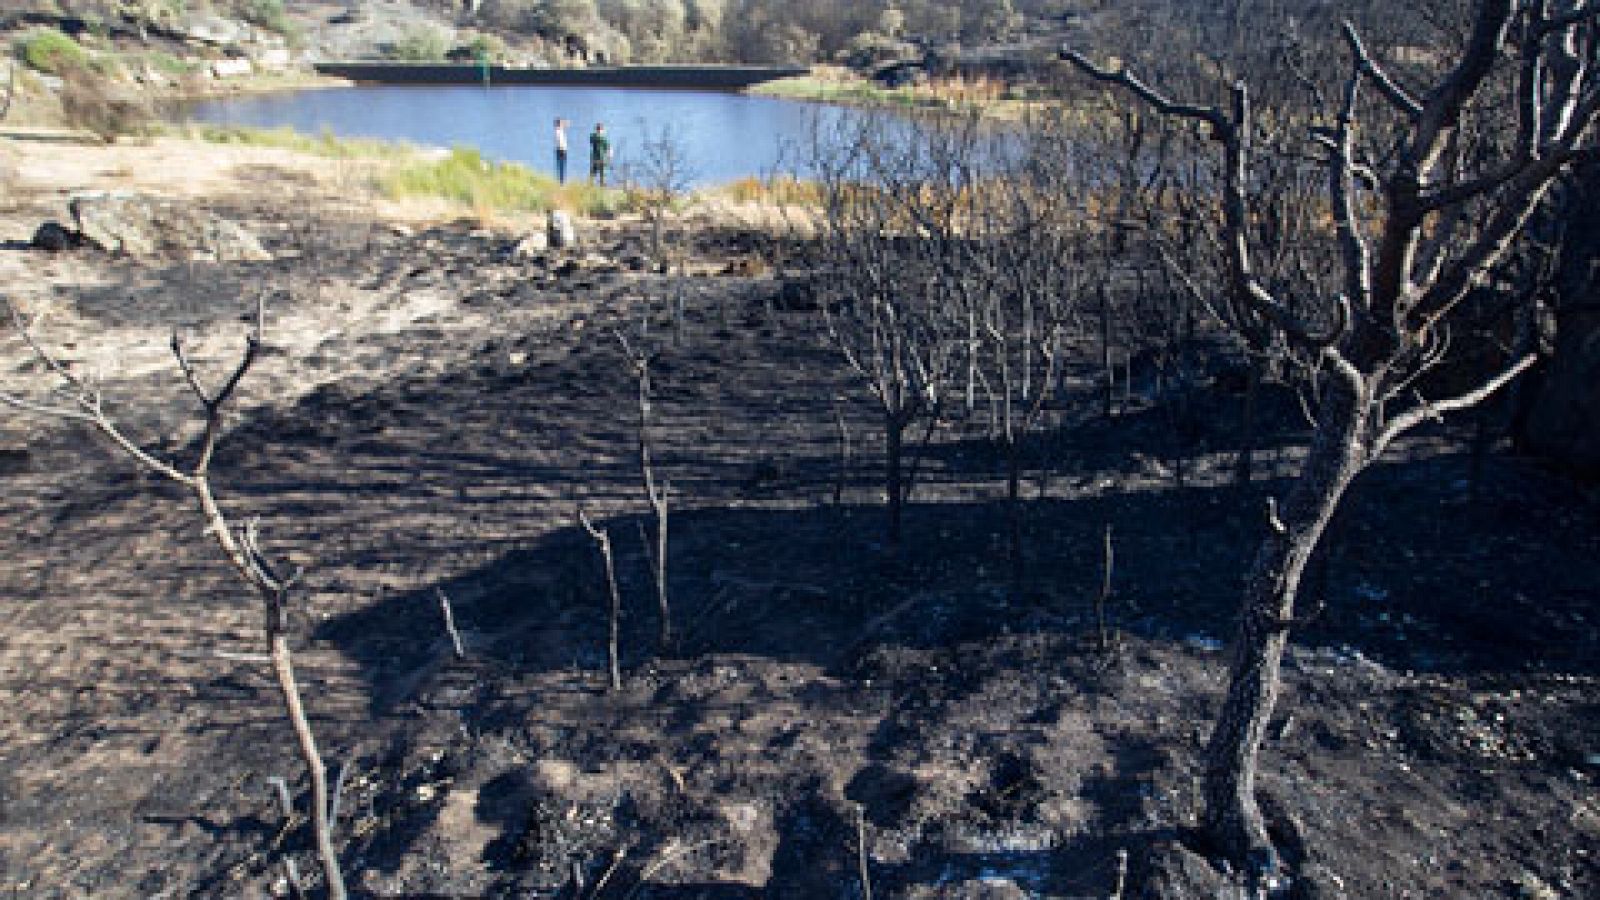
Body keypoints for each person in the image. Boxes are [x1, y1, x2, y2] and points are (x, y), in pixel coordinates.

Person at [553, 118, 569, 184]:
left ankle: (561, 180)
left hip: (561, 149)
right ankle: (561, 182)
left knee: (561, 166)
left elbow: (567, 123)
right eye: (561, 123)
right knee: (561, 165)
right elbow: (560, 142)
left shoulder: (559, 130)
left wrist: (563, 123)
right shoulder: (558, 131)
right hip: (561, 150)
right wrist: (563, 149)